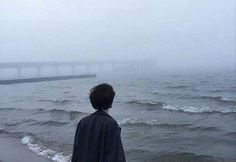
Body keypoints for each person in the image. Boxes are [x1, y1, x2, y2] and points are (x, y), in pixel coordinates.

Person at [71, 83, 126, 162]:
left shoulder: (83, 122)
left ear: (93, 103)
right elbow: (115, 155)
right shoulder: (111, 124)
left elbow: (76, 151)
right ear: (111, 104)